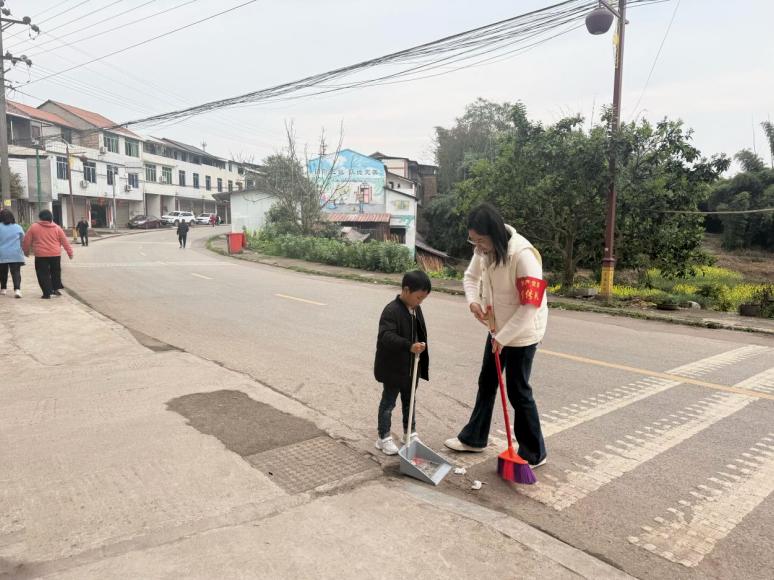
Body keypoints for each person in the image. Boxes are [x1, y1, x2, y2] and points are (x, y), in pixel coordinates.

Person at [444, 203, 548, 468]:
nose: (476, 246)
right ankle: (474, 438)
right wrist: (473, 302)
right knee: (487, 381)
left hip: (523, 333)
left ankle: (534, 452)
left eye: (480, 240)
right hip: (497, 328)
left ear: (495, 234)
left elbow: (530, 306)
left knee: (518, 390)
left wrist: (504, 337)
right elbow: (470, 277)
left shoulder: (522, 256)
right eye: (473, 240)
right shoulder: (483, 251)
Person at [373, 270, 431, 455]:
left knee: (410, 402)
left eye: (423, 299)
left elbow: (420, 331)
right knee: (389, 403)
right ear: (406, 290)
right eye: (418, 297)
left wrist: (420, 345)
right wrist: (409, 345)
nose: (420, 302)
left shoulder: (415, 309)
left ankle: (410, 433)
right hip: (393, 368)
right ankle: (384, 438)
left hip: (410, 367)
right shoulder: (391, 310)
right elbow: (385, 336)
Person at [22, 209, 73, 299]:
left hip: (41, 255)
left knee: (42, 273)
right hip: (55, 254)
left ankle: (47, 293)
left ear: (40, 217)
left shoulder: (34, 227)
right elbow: (64, 241)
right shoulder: (57, 228)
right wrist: (70, 253)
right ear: (51, 217)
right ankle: (55, 289)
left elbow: (27, 240)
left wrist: (26, 252)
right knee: (55, 272)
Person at [0, 209, 25, 298]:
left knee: (2, 272)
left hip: (2, 254)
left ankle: (3, 289)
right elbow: (23, 241)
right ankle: (17, 290)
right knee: (16, 272)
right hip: (15, 253)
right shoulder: (18, 227)